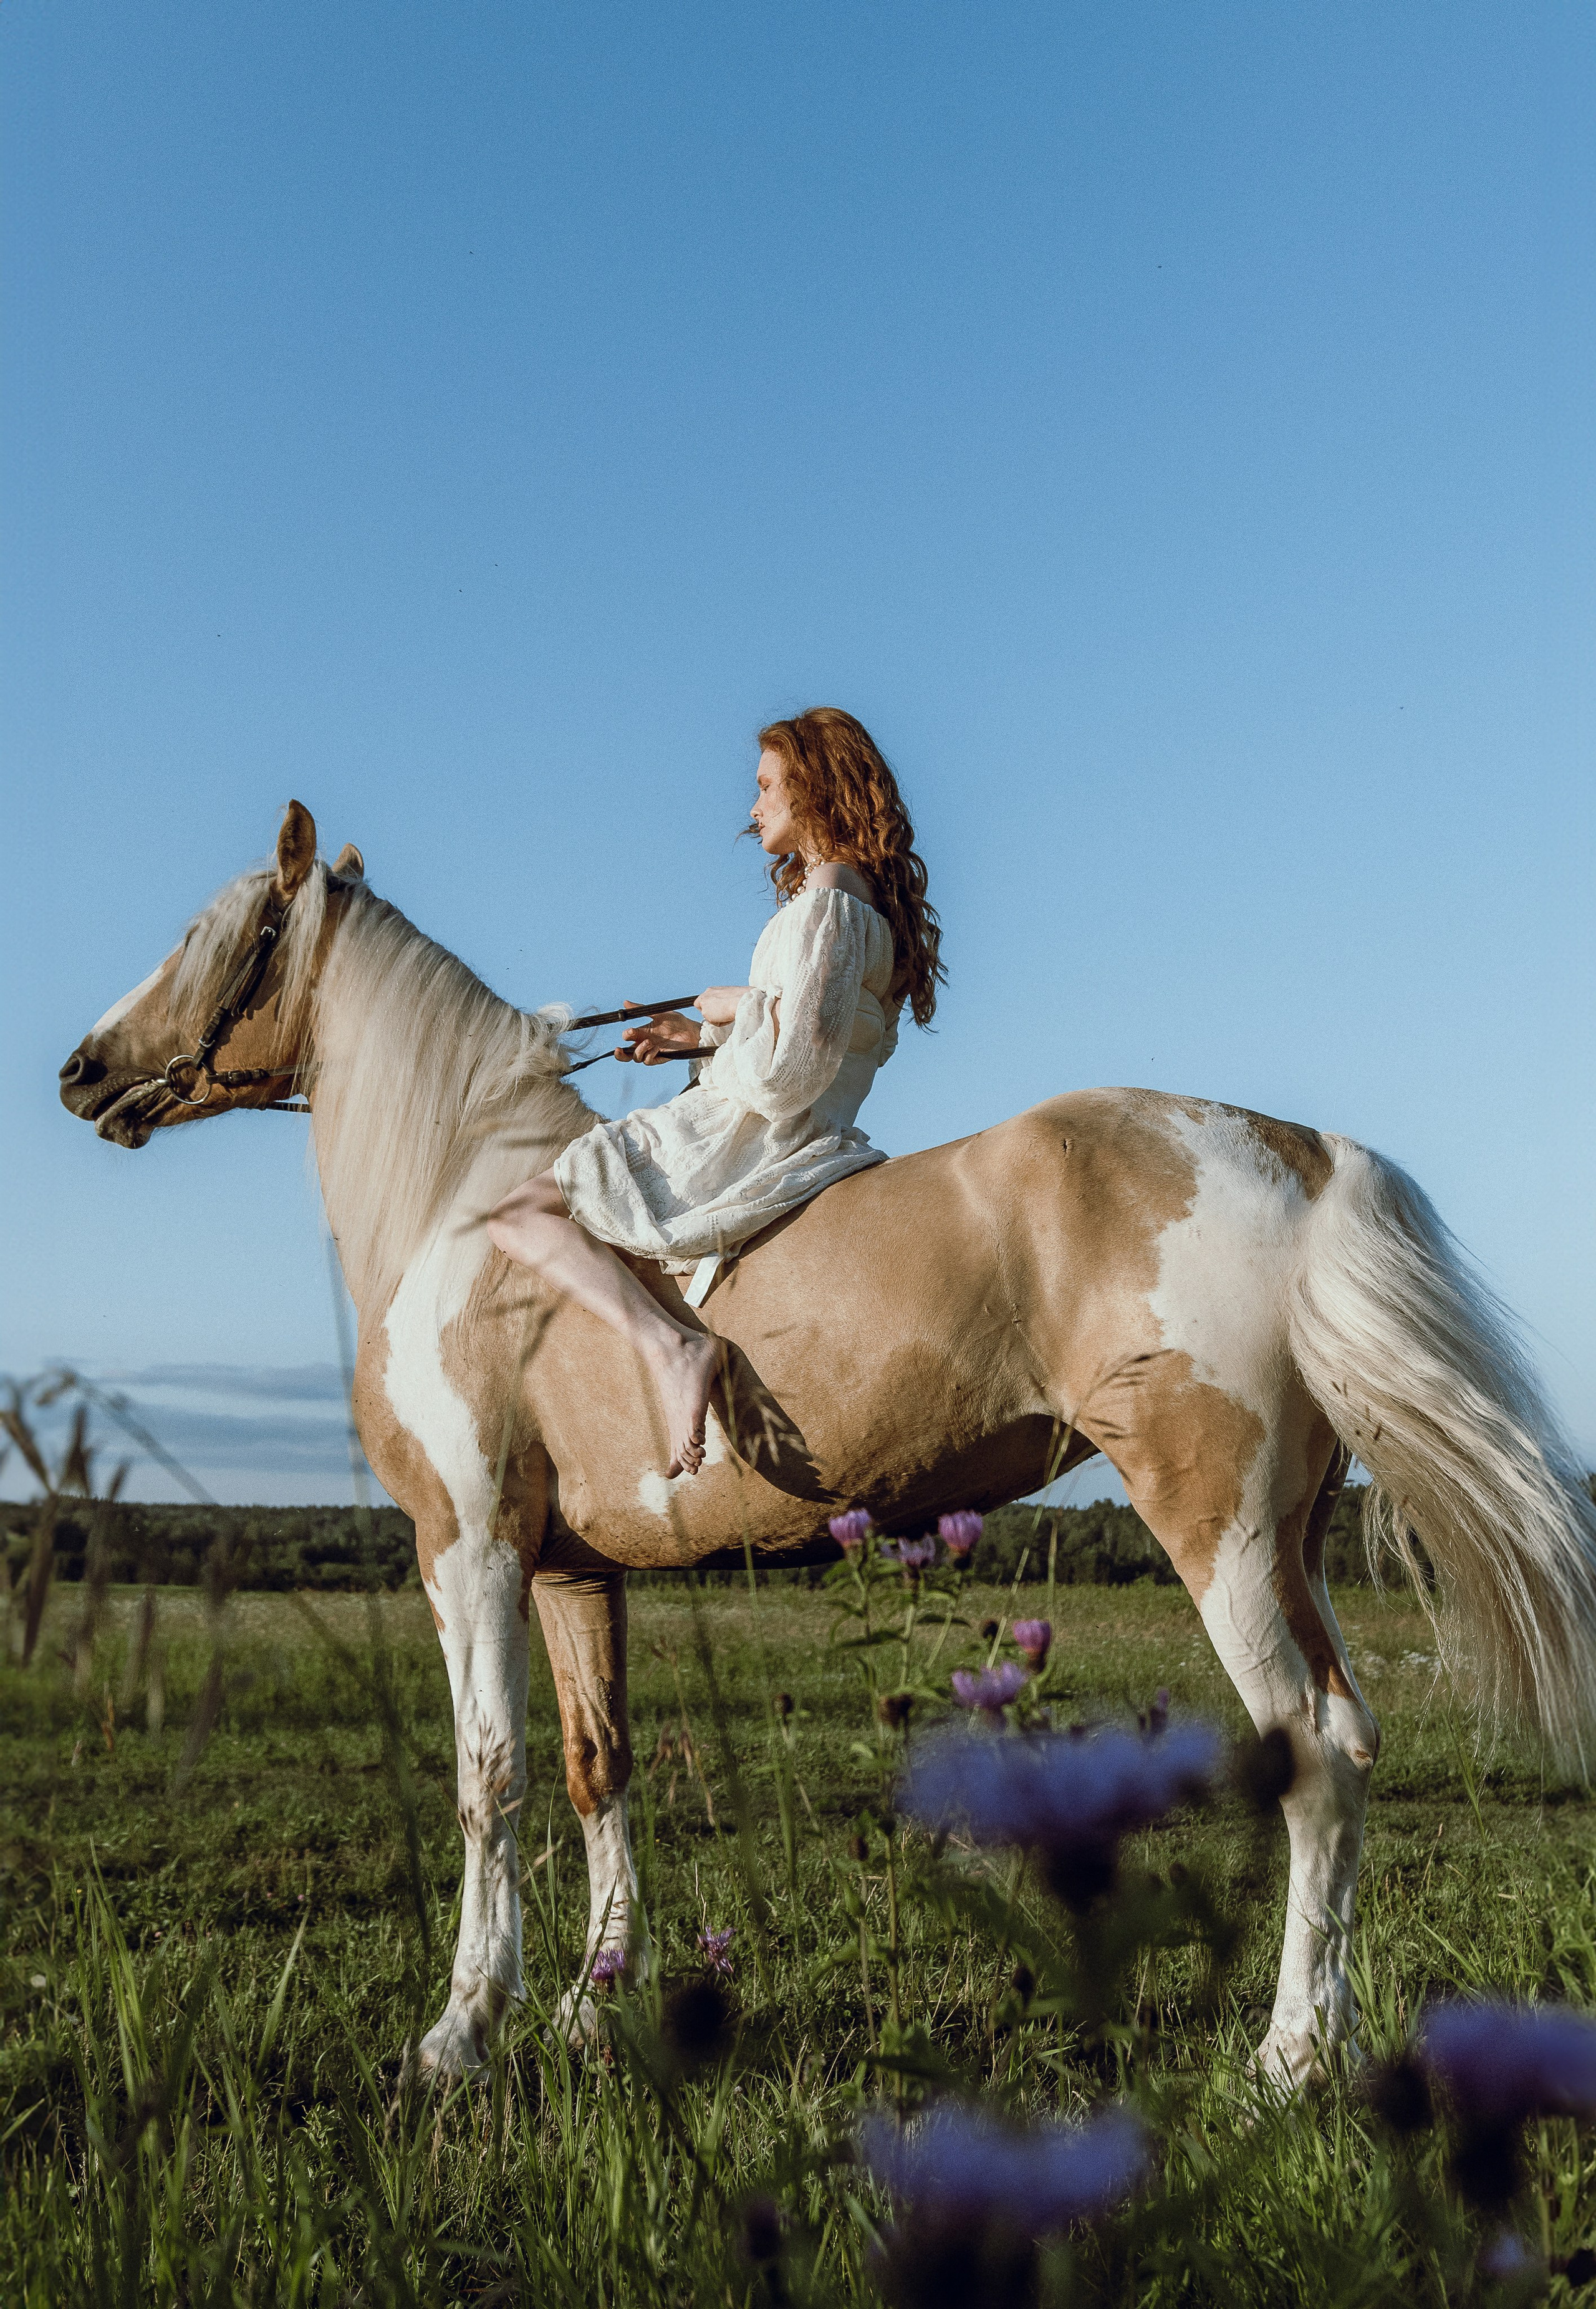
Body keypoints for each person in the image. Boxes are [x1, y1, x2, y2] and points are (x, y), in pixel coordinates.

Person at [487, 708, 944, 1477]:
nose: (754, 806)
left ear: (815, 785)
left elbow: (787, 1074)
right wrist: (698, 1039)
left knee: (518, 1211)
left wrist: (734, 1004)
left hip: (751, 1138)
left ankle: (674, 1347)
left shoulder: (827, 897)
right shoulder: (863, 909)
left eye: (768, 785)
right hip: (804, 1131)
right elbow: (819, 1044)